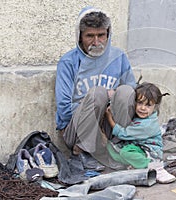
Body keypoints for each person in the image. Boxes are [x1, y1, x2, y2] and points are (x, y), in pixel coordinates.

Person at [55, 6, 136, 171]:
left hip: (109, 125)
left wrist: (112, 100)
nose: (96, 42)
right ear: (79, 37)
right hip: (76, 130)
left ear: (108, 34)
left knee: (126, 92)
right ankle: (82, 152)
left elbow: (133, 92)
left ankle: (117, 147)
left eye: (101, 35)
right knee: (97, 93)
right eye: (90, 36)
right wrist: (98, 102)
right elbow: (64, 107)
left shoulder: (119, 57)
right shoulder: (68, 62)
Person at [105, 82, 176, 183]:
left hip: (150, 153)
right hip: (137, 147)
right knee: (111, 148)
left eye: (148, 105)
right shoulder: (140, 116)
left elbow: (123, 133)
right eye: (139, 103)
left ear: (155, 107)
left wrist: (109, 117)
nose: (143, 108)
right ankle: (136, 164)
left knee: (125, 153)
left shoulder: (147, 125)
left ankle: (154, 168)